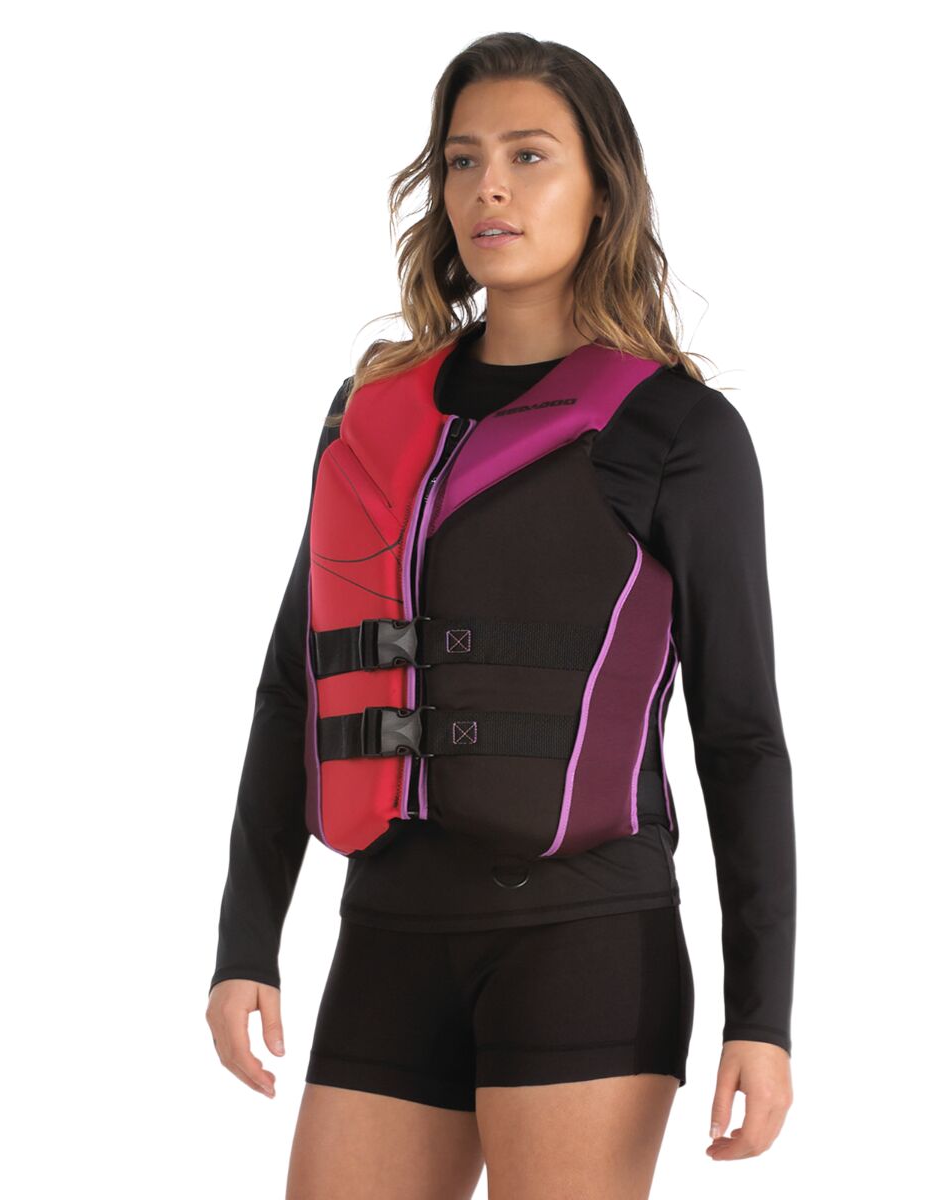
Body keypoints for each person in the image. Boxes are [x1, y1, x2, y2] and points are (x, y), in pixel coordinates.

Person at [206, 32, 795, 1200]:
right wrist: (245, 942)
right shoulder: (372, 411)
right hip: (389, 929)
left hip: (586, 940)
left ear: (602, 189)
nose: (489, 188)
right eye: (463, 159)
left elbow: (741, 737)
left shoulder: (679, 435)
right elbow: (296, 684)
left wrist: (761, 1019)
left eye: (529, 156)